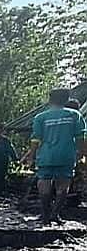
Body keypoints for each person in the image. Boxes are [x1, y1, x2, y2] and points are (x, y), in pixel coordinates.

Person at [21, 88, 87, 225]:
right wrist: (82, 155)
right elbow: (80, 137)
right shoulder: (75, 115)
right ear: (66, 100)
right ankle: (55, 215)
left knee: (44, 183)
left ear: (50, 100)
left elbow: (36, 139)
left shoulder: (41, 117)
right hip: (66, 155)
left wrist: (31, 156)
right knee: (63, 185)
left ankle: (45, 215)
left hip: (45, 156)